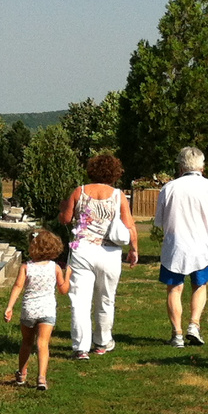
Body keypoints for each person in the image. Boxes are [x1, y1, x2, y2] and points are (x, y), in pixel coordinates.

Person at [58, 153, 138, 359]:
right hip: (109, 252)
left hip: (82, 250)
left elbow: (66, 219)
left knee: (80, 300)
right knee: (106, 298)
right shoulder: (118, 195)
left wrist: (62, 210)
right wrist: (134, 249)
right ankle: (102, 342)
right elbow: (129, 224)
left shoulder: (80, 191)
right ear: (114, 173)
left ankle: (80, 347)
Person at [155, 146, 208, 348]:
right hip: (202, 246)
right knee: (200, 285)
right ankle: (194, 324)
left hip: (175, 245)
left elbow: (160, 220)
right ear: (202, 166)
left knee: (174, 289)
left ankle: (177, 333)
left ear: (180, 167)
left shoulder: (169, 188)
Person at [2, 228, 70, 390]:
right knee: (43, 343)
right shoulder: (55, 268)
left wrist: (10, 307)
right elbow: (63, 290)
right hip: (47, 310)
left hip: (29, 309)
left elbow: (18, 286)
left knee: (26, 342)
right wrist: (68, 276)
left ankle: (21, 373)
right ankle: (41, 377)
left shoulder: (26, 267)